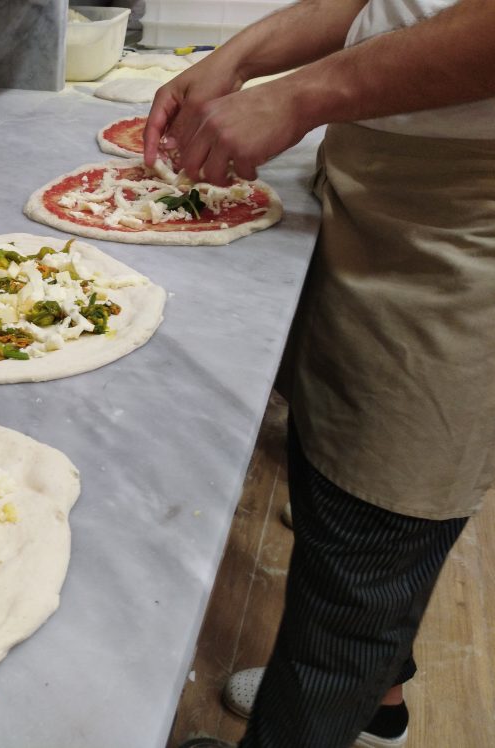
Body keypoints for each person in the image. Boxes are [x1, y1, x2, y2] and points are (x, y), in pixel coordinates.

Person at [141, 1, 495, 747]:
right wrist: (242, 56)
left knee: (377, 523)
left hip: (461, 222)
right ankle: (375, 705)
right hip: (385, 184)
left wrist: (299, 93)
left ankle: (325, 711)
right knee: (346, 494)